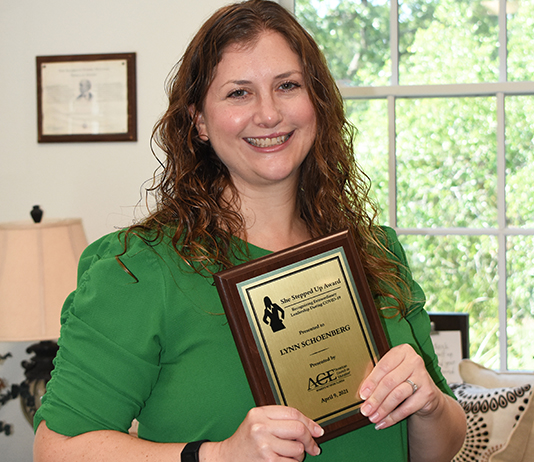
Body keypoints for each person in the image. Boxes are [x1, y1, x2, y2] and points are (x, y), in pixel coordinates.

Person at [33, 1, 466, 461]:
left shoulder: (376, 255)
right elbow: (56, 449)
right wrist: (217, 456)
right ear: (199, 120)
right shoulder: (139, 271)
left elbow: (438, 447)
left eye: (287, 85)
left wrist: (430, 405)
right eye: (239, 93)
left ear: (315, 101)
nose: (269, 113)